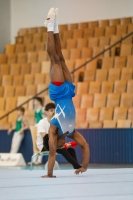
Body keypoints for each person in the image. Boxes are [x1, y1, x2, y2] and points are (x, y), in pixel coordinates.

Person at [41, 8, 90, 178]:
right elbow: (85, 146)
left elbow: (52, 153)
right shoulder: (70, 131)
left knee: (53, 58)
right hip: (68, 91)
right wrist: (84, 166)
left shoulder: (53, 129)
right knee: (60, 57)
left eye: (61, 145)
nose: (64, 145)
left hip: (58, 92)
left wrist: (49, 174)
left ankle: (48, 24)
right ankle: (54, 27)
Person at [37, 102, 81, 169]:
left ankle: (76, 167)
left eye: (55, 110)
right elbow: (45, 137)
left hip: (54, 143)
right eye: (51, 110)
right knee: (63, 150)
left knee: (71, 150)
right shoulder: (41, 123)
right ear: (46, 112)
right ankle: (78, 167)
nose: (54, 112)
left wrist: (64, 144)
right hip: (44, 145)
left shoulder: (56, 123)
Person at [32, 97, 46, 164]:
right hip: (36, 125)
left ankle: (39, 160)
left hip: (41, 126)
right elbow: (35, 118)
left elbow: (45, 118)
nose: (34, 102)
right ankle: (34, 159)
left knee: (41, 142)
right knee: (35, 142)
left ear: (39, 101)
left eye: (35, 101)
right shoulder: (35, 109)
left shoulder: (42, 109)